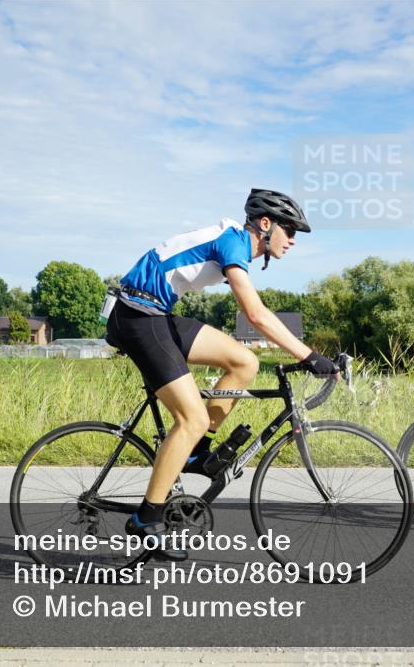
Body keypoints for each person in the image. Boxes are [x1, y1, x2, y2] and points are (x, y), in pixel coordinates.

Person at [105, 189, 338, 560]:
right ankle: (146, 518)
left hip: (157, 313)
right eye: (289, 230)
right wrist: (308, 355)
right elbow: (256, 314)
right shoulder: (233, 243)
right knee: (190, 417)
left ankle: (197, 452)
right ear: (265, 225)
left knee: (245, 362)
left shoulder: (236, 244)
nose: (292, 240)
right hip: (137, 316)